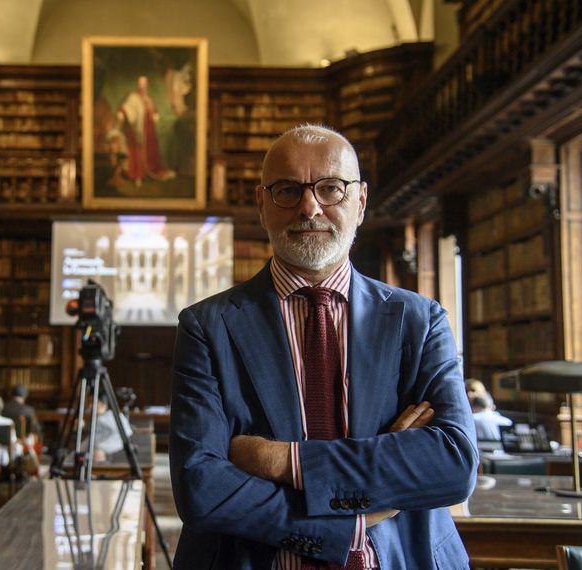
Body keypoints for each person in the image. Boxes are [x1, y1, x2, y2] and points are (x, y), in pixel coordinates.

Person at [169, 124, 478, 569]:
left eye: (331, 188)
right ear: (261, 205)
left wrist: (281, 459)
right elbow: (201, 488)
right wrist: (355, 518)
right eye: (288, 190)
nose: (310, 207)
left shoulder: (420, 321)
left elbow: (453, 464)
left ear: (361, 201)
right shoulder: (206, 326)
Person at [117, 75, 175, 186]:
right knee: (137, 152)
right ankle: (137, 175)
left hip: (149, 131)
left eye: (145, 84)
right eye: (141, 83)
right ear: (138, 84)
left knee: (150, 151)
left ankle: (148, 173)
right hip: (137, 130)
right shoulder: (134, 97)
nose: (143, 86)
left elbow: (154, 112)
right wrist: (122, 113)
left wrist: (154, 114)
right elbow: (127, 107)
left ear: (146, 85)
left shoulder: (149, 98)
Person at [86, 391, 133, 463]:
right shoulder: (97, 417)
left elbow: (125, 434)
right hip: (95, 451)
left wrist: (100, 448)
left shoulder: (111, 417)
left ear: (104, 404)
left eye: (93, 402)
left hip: (108, 455)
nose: (90, 406)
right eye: (89, 402)